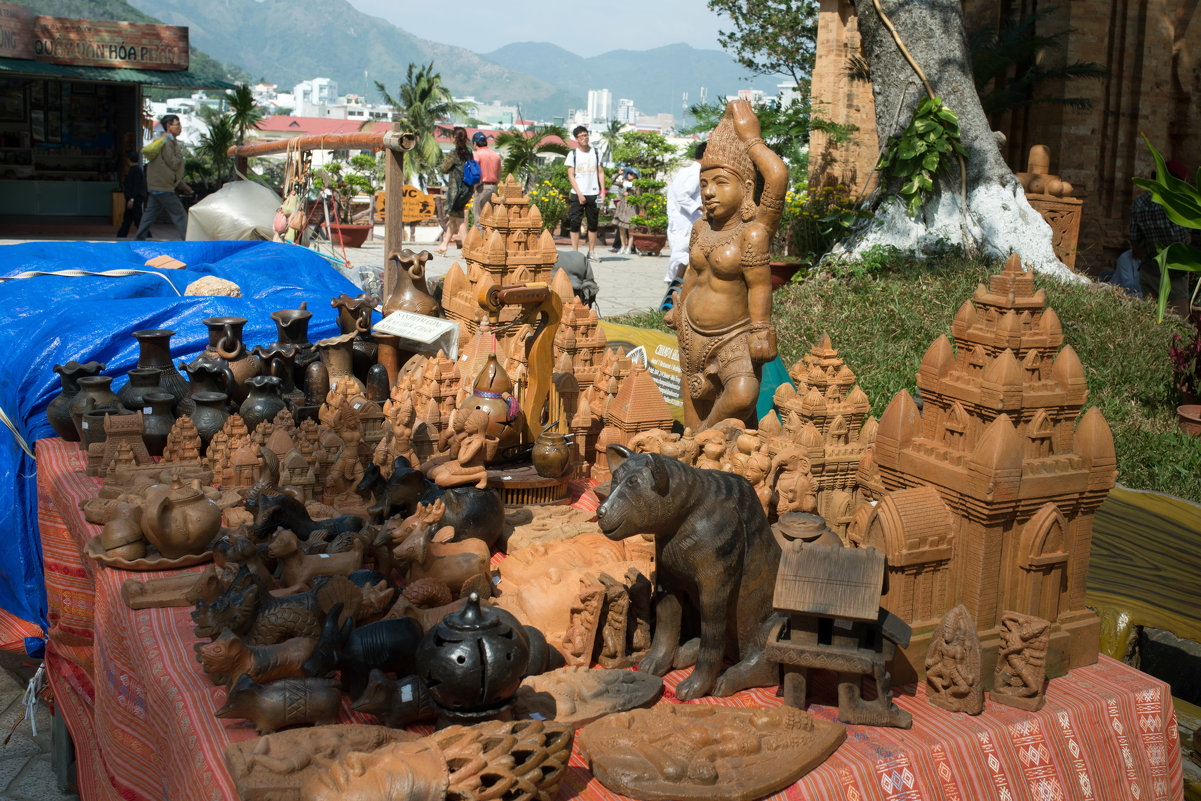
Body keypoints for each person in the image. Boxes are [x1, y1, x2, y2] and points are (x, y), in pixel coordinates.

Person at [666, 100, 787, 431]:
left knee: (743, 393)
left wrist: (752, 141)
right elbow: (692, 273)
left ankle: (703, 440)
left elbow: (777, 177)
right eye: (704, 184)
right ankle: (699, 451)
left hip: (733, 333)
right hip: (690, 332)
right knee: (695, 399)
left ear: (746, 188)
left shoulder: (754, 231)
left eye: (720, 182)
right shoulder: (700, 229)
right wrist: (677, 303)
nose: (708, 192)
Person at [1116, 159, 1192, 306]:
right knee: (1178, 323)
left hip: (1149, 270)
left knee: (1152, 320)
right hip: (1174, 273)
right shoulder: (1176, 205)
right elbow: (1181, 241)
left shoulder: (1139, 204)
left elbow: (1135, 244)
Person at [661, 142, 706, 309]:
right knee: (681, 258)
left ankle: (676, 297)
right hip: (684, 223)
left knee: (684, 258)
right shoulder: (694, 174)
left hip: (683, 222)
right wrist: (703, 207)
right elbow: (682, 197)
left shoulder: (689, 171)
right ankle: (671, 299)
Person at [134, 115, 192, 240]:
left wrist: (182, 185)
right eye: (177, 124)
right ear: (168, 126)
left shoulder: (161, 140)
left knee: (149, 215)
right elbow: (173, 163)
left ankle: (138, 239)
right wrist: (179, 153)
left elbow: (166, 168)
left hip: (156, 185)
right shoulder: (167, 142)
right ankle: (189, 240)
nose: (180, 127)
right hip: (164, 186)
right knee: (180, 214)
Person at [565, 125, 606, 258]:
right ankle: (575, 253)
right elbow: (571, 176)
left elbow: (601, 172)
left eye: (586, 135)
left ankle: (591, 252)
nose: (585, 138)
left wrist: (603, 192)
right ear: (576, 139)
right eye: (582, 136)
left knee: (593, 223)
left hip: (593, 193)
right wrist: (579, 193)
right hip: (577, 193)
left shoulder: (596, 152)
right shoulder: (573, 154)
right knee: (575, 222)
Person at [436, 127, 472, 254]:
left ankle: (467, 250)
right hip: (467, 190)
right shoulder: (469, 153)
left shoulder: (454, 153)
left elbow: (444, 169)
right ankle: (444, 245)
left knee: (460, 220)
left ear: (454, 138)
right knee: (453, 218)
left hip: (455, 192)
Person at [471, 131, 501, 229]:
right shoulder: (496, 155)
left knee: (479, 219)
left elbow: (475, 173)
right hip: (494, 188)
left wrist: (474, 188)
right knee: (491, 219)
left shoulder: (476, 154)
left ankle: (481, 242)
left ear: (475, 143)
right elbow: (499, 174)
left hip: (482, 188)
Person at [117, 149, 146, 238]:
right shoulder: (136, 170)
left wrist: (132, 199)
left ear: (129, 159)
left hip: (134, 199)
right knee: (129, 219)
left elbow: (136, 186)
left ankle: (146, 235)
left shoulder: (135, 170)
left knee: (137, 219)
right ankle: (121, 235)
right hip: (133, 199)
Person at [610, 167, 637, 254]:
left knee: (631, 229)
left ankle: (629, 247)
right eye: (628, 173)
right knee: (621, 228)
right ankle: (623, 246)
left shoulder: (637, 185)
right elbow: (612, 182)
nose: (629, 175)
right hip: (622, 207)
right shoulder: (624, 183)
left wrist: (629, 193)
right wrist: (619, 174)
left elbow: (639, 195)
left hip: (631, 207)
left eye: (631, 174)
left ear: (636, 175)